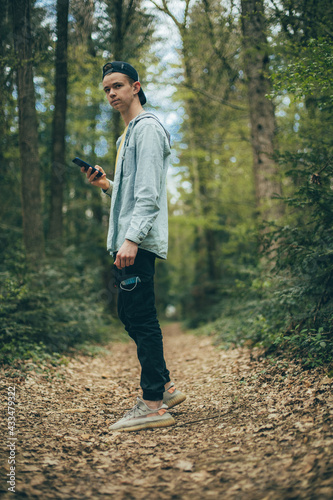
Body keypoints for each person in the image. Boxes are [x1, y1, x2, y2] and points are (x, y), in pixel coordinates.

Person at [81, 61, 186, 432]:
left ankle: (153, 404)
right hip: (129, 240)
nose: (111, 93)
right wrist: (107, 184)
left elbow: (149, 195)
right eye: (106, 88)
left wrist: (131, 239)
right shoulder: (127, 136)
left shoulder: (148, 130)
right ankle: (166, 387)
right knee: (130, 314)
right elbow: (129, 193)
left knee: (141, 318)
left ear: (136, 87)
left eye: (118, 86)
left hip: (135, 242)